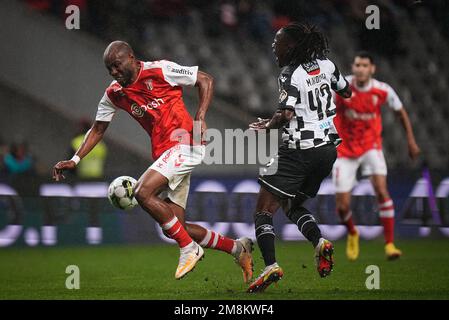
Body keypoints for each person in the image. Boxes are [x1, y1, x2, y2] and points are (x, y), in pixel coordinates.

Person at [52, 41, 253, 281]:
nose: (114, 73)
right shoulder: (114, 93)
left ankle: (189, 249)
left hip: (186, 143)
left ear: (131, 58)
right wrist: (75, 159)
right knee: (176, 228)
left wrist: (200, 116)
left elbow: (205, 80)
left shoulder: (160, 70)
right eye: (109, 70)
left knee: (142, 191)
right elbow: (97, 129)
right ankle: (236, 248)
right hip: (165, 154)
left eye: (116, 66)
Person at [247, 22, 351, 293]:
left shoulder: (289, 73)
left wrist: (267, 125)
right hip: (327, 150)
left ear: (291, 47)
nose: (273, 47)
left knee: (263, 210)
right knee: (292, 206)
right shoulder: (327, 65)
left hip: (299, 150)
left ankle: (271, 266)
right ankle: (320, 243)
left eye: (277, 43)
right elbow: (347, 90)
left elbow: (286, 114)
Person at [332, 51, 420, 261]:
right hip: (345, 150)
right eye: (357, 65)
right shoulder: (342, 88)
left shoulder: (382, 90)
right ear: (353, 68)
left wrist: (411, 141)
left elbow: (401, 112)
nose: (360, 69)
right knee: (342, 206)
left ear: (372, 69)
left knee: (381, 190)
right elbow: (327, 112)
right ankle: (353, 232)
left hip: (371, 146)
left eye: (364, 65)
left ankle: (389, 244)